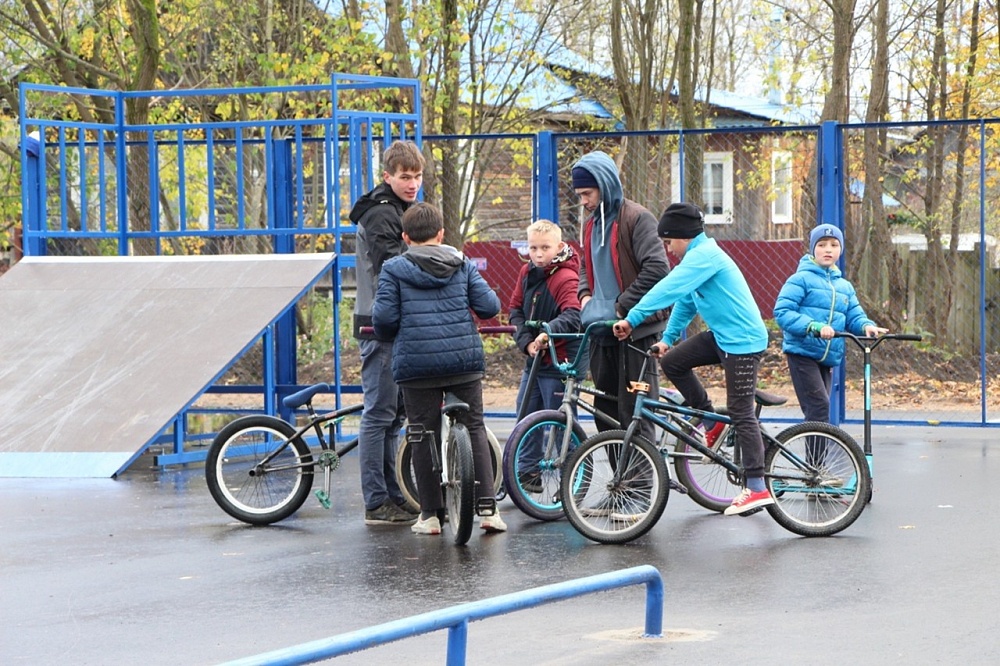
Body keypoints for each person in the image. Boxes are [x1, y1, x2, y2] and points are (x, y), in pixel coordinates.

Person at [611, 202, 773, 516]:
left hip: (742, 341)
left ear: (683, 236)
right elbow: (685, 303)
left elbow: (667, 289)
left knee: (741, 410)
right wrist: (668, 341)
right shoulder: (696, 258)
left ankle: (756, 486)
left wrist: (632, 318)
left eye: (668, 242)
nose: (667, 248)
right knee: (672, 362)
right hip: (723, 335)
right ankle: (710, 420)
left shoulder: (704, 257)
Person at [372, 202, 506, 536]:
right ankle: (488, 510)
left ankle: (430, 516)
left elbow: (384, 320)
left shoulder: (393, 269)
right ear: (441, 233)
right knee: (474, 425)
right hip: (462, 361)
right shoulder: (461, 264)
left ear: (405, 237)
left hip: (417, 365)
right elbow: (489, 306)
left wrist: (393, 333)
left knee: (421, 432)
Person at [350, 140, 425, 526]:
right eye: (404, 177)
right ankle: (376, 500)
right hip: (377, 324)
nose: (412, 184)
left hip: (389, 322)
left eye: (417, 176)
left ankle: (394, 494)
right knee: (378, 414)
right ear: (387, 176)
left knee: (392, 416)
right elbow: (391, 266)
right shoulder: (382, 214)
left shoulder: (399, 209)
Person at [572, 151, 670, 441]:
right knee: (606, 412)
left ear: (605, 184)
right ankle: (621, 482)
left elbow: (657, 268)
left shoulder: (637, 218)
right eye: (579, 194)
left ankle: (642, 485)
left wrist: (621, 306)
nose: (584, 201)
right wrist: (585, 296)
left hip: (636, 330)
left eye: (587, 193)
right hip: (601, 329)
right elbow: (584, 265)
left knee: (634, 415)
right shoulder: (590, 223)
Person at [773, 224, 887, 423]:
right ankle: (816, 456)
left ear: (840, 250)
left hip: (827, 358)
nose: (828, 249)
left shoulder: (844, 286)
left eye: (834, 245)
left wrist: (866, 326)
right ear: (812, 249)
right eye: (822, 244)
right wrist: (813, 326)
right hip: (802, 353)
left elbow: (853, 315)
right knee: (818, 407)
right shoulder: (801, 279)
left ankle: (817, 454)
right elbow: (783, 312)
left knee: (820, 411)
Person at [507, 220, 581, 488]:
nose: (538, 254)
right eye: (533, 247)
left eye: (545, 248)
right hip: (534, 358)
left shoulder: (566, 277)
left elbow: (573, 314)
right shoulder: (527, 273)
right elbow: (515, 310)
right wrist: (526, 342)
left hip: (559, 362)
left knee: (560, 421)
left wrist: (549, 333)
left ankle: (572, 480)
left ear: (559, 246)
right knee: (526, 413)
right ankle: (528, 474)